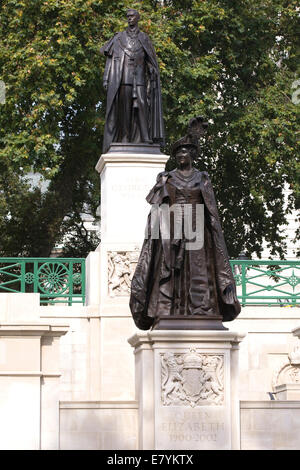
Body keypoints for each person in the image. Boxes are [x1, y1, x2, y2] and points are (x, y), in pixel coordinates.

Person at [129, 119, 241, 330]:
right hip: (172, 226)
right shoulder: (167, 178)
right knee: (171, 269)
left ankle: (200, 309)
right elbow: (157, 206)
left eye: (184, 153)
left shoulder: (202, 178)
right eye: (177, 154)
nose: (180, 156)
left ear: (192, 155)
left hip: (197, 225)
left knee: (198, 270)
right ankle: (170, 309)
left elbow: (211, 210)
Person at [100, 9, 164, 152]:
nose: (129, 18)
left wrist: (152, 69)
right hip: (123, 79)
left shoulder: (144, 38)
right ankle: (124, 137)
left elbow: (150, 59)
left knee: (142, 106)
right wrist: (106, 78)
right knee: (125, 109)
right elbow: (110, 60)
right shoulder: (118, 38)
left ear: (138, 18)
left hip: (140, 78)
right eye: (128, 16)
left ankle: (145, 136)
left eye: (132, 16)